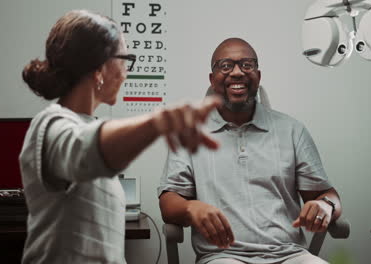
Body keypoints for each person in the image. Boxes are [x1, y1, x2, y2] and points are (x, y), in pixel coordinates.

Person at [19, 10, 221, 264]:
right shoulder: (50, 126)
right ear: (99, 69)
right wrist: (161, 121)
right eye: (125, 59)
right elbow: (85, 151)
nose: (126, 72)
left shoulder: (86, 125)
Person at [158, 38, 342, 264]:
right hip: (223, 256)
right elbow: (168, 204)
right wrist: (190, 207)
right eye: (225, 66)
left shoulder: (292, 130)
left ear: (258, 75)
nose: (237, 73)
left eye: (247, 65)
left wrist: (326, 205)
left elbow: (327, 194)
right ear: (212, 79)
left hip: (290, 255)